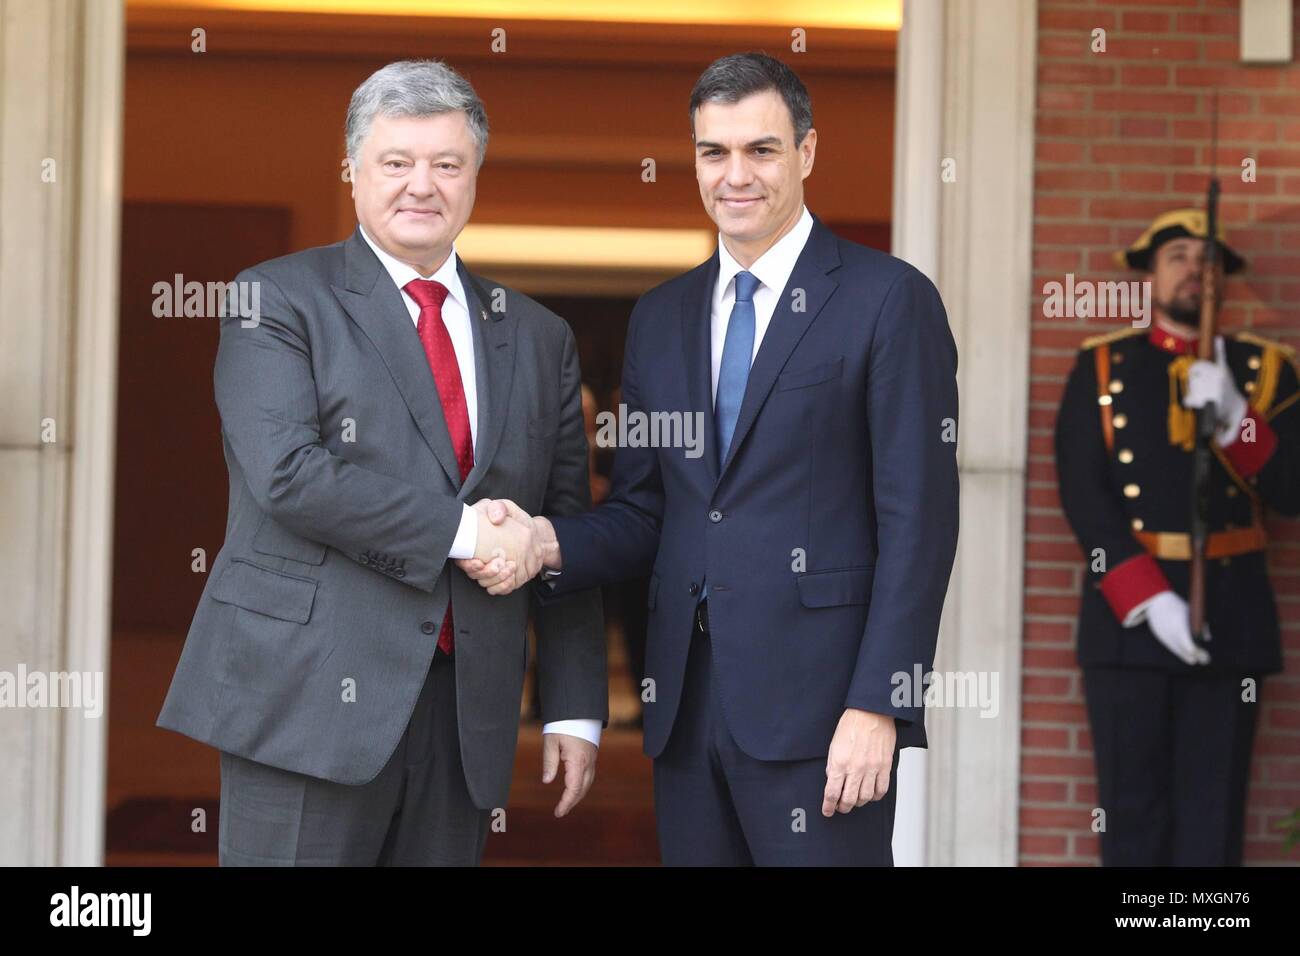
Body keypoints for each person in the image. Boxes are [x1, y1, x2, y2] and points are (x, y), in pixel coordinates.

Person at [462, 52, 959, 865]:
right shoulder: (662, 316)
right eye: (713, 152)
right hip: (686, 710)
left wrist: (881, 704)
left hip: (824, 715)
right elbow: (646, 509)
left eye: (760, 150)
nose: (736, 175)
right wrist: (545, 542)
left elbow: (920, 523)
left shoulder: (888, 300)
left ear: (806, 153)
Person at [157, 59, 607, 866]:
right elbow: (290, 474)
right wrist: (469, 532)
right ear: (353, 173)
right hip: (305, 695)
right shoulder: (277, 299)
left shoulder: (539, 337)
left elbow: (560, 526)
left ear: (474, 178)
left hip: (467, 706)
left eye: (446, 163)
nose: (420, 185)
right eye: (396, 162)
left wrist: (575, 706)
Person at [1054, 208, 1300, 865]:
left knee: (1212, 820)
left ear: (1224, 281)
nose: (1195, 271)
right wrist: (1149, 598)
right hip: (1128, 622)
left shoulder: (1265, 370)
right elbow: (1084, 497)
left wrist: (1235, 420)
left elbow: (1291, 490)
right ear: (1151, 276)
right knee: (1131, 814)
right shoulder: (1103, 367)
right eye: (1178, 257)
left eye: (1208, 260)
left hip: (1233, 610)